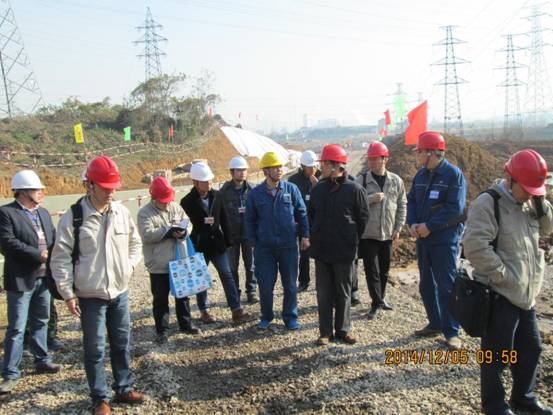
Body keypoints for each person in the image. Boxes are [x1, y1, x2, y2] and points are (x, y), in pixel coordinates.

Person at [50, 156, 144, 415]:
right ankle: (99, 399)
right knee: (94, 349)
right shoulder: (74, 217)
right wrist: (67, 293)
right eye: (105, 187)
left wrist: (129, 267)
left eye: (113, 187)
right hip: (90, 296)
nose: (111, 192)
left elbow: (135, 244)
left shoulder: (121, 212)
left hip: (119, 293)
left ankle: (124, 388)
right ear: (90, 185)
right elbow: (60, 258)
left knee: (122, 343)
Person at [463, 149, 553, 415]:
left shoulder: (531, 202)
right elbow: (475, 247)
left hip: (526, 294)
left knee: (531, 348)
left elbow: (548, 228)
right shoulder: (488, 203)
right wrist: (504, 277)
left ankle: (523, 398)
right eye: (526, 188)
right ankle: (494, 406)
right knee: (497, 354)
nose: (528, 194)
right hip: (500, 293)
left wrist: (542, 202)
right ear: (510, 178)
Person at [0, 170, 60, 394]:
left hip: (43, 278)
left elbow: (52, 237)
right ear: (23, 192)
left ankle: (41, 359)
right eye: (37, 190)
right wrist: (38, 255)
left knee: (41, 320)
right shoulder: (6, 213)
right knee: (16, 328)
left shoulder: (42, 213)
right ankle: (10, 373)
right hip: (21, 279)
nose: (41, 193)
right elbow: (7, 242)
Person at [406, 131, 467, 350]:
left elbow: (455, 208)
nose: (417, 155)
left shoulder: (453, 175)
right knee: (426, 285)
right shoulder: (421, 175)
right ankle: (435, 323)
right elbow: (411, 201)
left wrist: (429, 226)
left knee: (446, 286)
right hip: (423, 240)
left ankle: (452, 332)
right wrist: (412, 223)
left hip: (444, 241)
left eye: (419, 151)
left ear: (431, 153)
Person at [309, 144, 370, 345]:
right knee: (324, 294)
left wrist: (350, 238)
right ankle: (325, 332)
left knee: (343, 292)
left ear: (337, 166)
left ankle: (343, 330)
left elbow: (363, 218)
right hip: (322, 250)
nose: (321, 167)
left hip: (344, 250)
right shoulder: (318, 189)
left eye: (325, 164)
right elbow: (311, 216)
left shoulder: (355, 190)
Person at [180, 162, 252, 324]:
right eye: (205, 181)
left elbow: (224, 219)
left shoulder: (217, 195)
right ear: (195, 182)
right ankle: (204, 311)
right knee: (201, 278)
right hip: (199, 245)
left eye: (210, 180)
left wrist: (229, 240)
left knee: (227, 274)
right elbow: (186, 224)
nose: (209, 183)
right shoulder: (186, 202)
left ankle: (236, 310)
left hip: (217, 244)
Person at [245, 151, 309, 331]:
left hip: (288, 246)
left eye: (280, 167)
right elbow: (249, 220)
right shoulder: (255, 194)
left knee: (290, 285)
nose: (279, 170)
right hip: (264, 248)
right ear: (266, 171)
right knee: (265, 285)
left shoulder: (291, 189)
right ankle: (266, 316)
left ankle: (290, 317)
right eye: (275, 167)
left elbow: (302, 213)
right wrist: (253, 241)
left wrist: (305, 236)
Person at [138, 176, 201, 345]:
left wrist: (184, 231)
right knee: (160, 299)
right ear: (153, 197)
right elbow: (147, 234)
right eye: (163, 201)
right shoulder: (144, 213)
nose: (166, 204)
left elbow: (188, 223)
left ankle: (186, 324)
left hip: (179, 260)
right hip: (158, 265)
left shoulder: (175, 207)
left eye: (168, 200)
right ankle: (162, 330)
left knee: (183, 295)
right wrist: (168, 231)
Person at [356, 141, 406, 320]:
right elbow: (355, 203)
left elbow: (402, 204)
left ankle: (381, 298)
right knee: (372, 271)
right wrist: (371, 199)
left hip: (387, 234)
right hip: (368, 234)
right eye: (369, 159)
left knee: (384, 271)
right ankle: (375, 302)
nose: (371, 162)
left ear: (384, 159)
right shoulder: (362, 180)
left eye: (374, 159)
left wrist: (398, 227)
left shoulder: (396, 181)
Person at [220, 156, 258, 304]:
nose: (242, 173)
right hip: (231, 235)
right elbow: (219, 213)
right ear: (232, 172)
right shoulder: (224, 192)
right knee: (232, 267)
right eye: (239, 170)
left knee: (251, 265)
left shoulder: (253, 190)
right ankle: (235, 294)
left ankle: (252, 292)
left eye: (244, 170)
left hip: (249, 234)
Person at [288, 150, 320, 292]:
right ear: (302, 166)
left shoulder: (322, 178)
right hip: (302, 221)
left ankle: (322, 282)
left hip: (319, 220)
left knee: (321, 253)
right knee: (304, 253)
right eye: (309, 167)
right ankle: (304, 281)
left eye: (314, 166)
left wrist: (318, 186)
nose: (312, 170)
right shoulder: (294, 180)